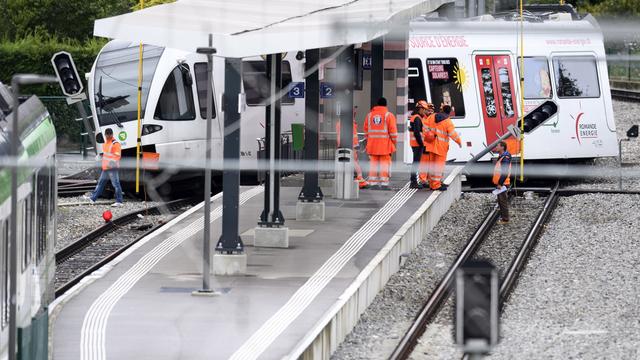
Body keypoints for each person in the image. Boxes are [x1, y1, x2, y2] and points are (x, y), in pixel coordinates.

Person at [424, 105, 461, 191]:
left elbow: (425, 127)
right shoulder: (448, 122)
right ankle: (436, 185)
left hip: (431, 145)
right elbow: (453, 134)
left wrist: (429, 135)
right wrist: (459, 142)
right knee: (439, 167)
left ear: (442, 110)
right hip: (441, 148)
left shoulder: (431, 117)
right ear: (449, 113)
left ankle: (432, 184)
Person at [363, 97, 398, 190]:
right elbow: (393, 132)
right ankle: (384, 184)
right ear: (386, 105)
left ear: (377, 105)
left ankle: (373, 183)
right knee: (384, 165)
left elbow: (366, 131)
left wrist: (369, 141)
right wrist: (394, 143)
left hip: (372, 146)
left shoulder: (369, 115)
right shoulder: (389, 115)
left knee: (373, 165)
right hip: (385, 146)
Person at [84, 128, 124, 206]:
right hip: (106, 168)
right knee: (101, 183)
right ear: (105, 135)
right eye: (107, 134)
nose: (108, 136)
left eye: (110, 134)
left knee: (115, 184)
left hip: (112, 168)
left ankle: (119, 201)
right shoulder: (106, 144)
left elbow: (117, 156)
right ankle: (93, 199)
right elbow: (107, 155)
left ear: (112, 134)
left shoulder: (115, 144)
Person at [337, 113, 368, 189]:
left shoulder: (340, 123)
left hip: (347, 145)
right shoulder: (352, 123)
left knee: (352, 161)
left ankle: (359, 179)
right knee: (355, 161)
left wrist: (338, 145)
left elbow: (339, 135)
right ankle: (359, 178)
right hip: (354, 144)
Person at [408, 100, 429, 188]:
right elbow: (417, 132)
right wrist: (421, 144)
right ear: (420, 109)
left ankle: (413, 182)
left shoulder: (416, 117)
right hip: (417, 144)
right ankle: (413, 183)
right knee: (416, 163)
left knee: (416, 163)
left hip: (415, 144)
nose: (425, 111)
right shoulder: (417, 118)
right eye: (424, 109)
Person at [493, 141, 512, 224]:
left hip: (503, 184)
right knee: (501, 200)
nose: (496, 147)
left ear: (502, 147)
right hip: (501, 183)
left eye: (497, 146)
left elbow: (504, 172)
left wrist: (500, 183)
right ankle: (504, 216)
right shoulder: (502, 156)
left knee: (502, 201)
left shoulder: (505, 158)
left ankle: (505, 219)